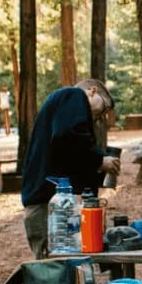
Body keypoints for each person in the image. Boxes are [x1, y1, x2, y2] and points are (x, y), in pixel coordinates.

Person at [20, 79, 120, 258]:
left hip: (53, 205)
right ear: (92, 91)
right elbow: (68, 135)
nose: (100, 117)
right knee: (52, 272)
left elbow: (68, 153)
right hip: (48, 207)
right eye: (104, 108)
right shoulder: (74, 95)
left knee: (61, 270)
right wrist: (99, 160)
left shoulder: (62, 114)